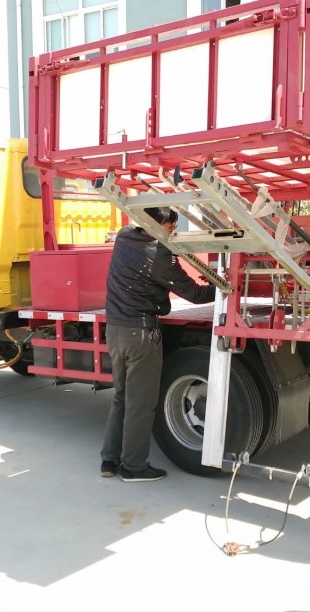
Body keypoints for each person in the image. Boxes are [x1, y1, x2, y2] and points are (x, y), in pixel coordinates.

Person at [101, 206, 216, 482]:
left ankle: (109, 460)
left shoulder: (124, 236)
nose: (172, 232)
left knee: (122, 397)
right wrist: (223, 285)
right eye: (170, 227)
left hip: (114, 330)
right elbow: (195, 294)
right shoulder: (160, 254)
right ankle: (133, 468)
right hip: (140, 334)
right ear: (154, 223)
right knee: (141, 404)